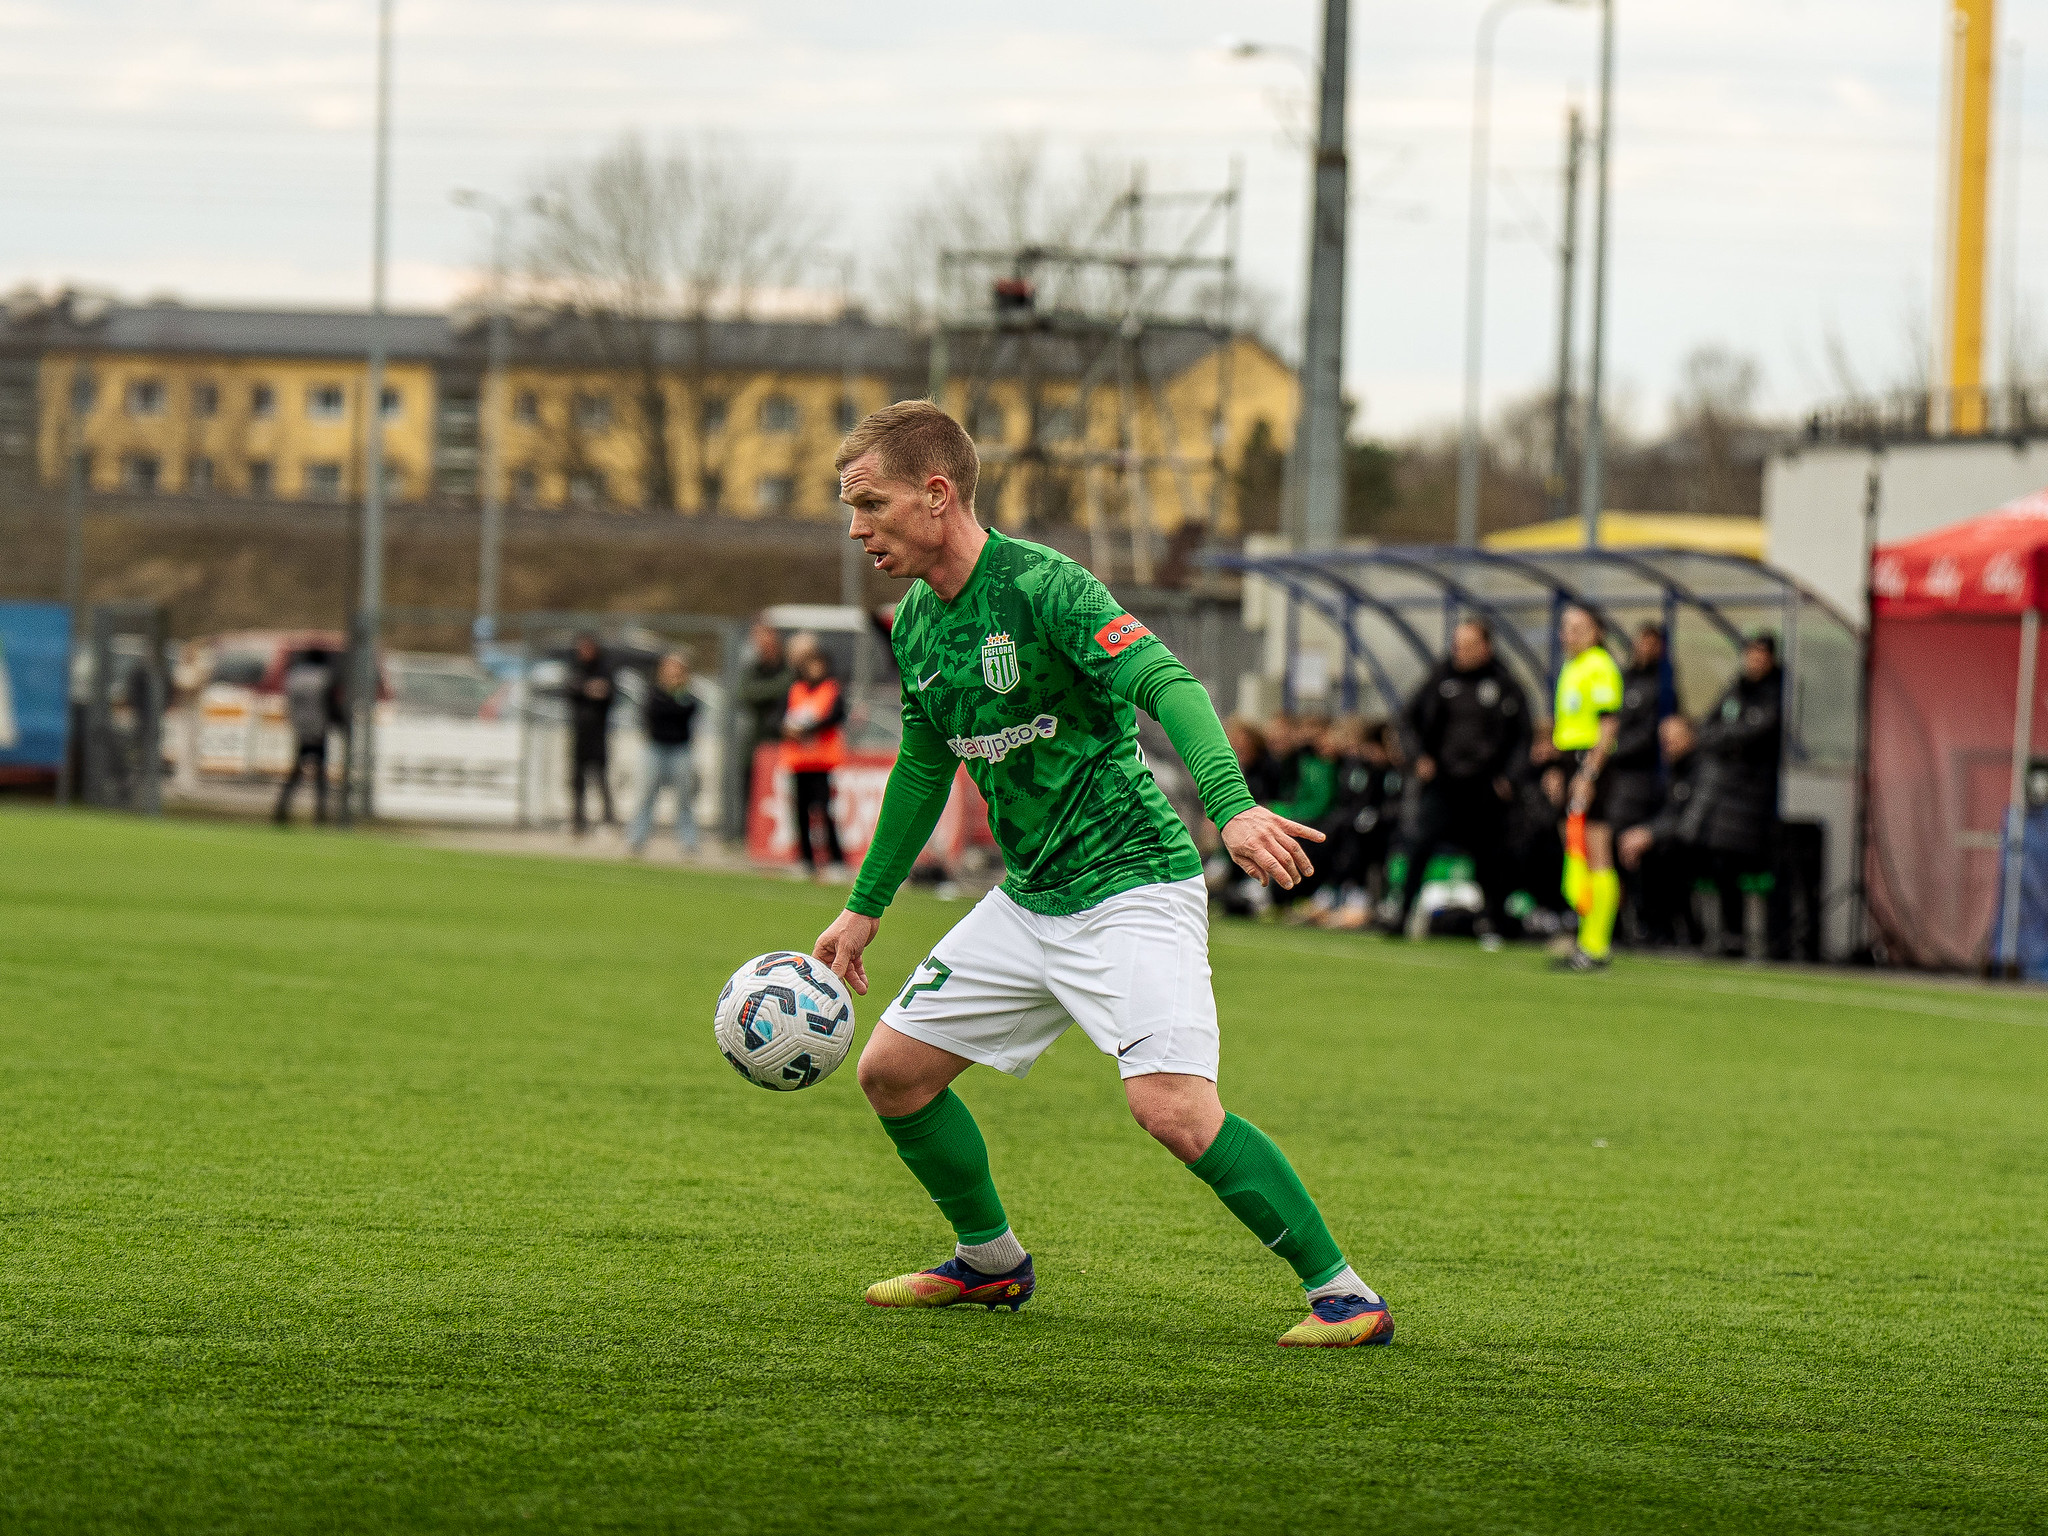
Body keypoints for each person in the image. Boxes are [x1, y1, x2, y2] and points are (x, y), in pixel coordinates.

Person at [811, 400, 1391, 1349]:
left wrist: (1232, 806)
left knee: (1172, 1110)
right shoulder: (915, 624)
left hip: (1132, 885)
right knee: (893, 1074)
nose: (855, 527)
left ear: (937, 494)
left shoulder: (1045, 587)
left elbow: (1169, 683)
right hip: (1030, 899)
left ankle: (1346, 1295)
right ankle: (990, 1262)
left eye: (869, 504)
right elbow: (923, 765)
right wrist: (864, 908)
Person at [1393, 618, 1530, 944]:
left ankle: (1494, 923)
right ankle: (1401, 916)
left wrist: (1510, 777)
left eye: (1468, 646)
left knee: (1491, 856)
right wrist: (1418, 758)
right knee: (1419, 845)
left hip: (1485, 785)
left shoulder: (1505, 684)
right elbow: (1406, 722)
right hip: (1444, 783)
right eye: (1457, 645)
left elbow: (1522, 737)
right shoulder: (1440, 679)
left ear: (1486, 647)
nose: (1460, 652)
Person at [1692, 632, 1785, 956]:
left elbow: (1759, 730)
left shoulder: (1776, 691)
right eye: (1750, 653)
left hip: (1761, 796)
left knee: (1758, 867)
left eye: (1761, 654)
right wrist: (1731, 738)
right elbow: (1706, 729)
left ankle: (1768, 939)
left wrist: (1729, 738)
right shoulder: (1735, 688)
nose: (1754, 660)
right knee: (1722, 861)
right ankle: (1730, 934)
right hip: (1728, 794)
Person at [1551, 605, 1625, 972]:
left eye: (1579, 628)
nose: (1569, 634)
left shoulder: (1600, 666)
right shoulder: (1571, 666)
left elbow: (1607, 726)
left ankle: (1595, 946)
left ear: (1597, 632)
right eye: (1566, 627)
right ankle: (1584, 937)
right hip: (1572, 760)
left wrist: (1589, 774)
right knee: (1576, 852)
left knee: (1597, 852)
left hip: (1590, 763)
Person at [1618, 715, 1706, 948]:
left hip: (1702, 845)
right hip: (1676, 842)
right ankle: (1651, 928)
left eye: (1673, 740)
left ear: (1690, 738)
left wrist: (1649, 835)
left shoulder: (1703, 770)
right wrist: (1644, 833)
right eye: (1664, 741)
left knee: (1662, 857)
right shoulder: (1673, 771)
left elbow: (1689, 821)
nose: (1667, 746)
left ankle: (1676, 931)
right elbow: (1667, 815)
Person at [783, 637, 848, 877]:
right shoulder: (796, 689)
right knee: (800, 812)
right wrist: (788, 728)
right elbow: (779, 717)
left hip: (822, 761)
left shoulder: (831, 689)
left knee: (824, 810)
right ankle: (805, 860)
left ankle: (836, 860)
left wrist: (810, 728)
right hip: (799, 761)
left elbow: (836, 716)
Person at [628, 652, 701, 856]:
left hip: (680, 749)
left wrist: (677, 694)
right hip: (656, 748)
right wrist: (672, 704)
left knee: (684, 798)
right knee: (646, 795)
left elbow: (687, 711)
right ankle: (636, 839)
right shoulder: (654, 692)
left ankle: (689, 842)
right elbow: (656, 712)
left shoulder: (686, 694)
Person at [273, 647, 341, 825]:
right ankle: (321, 815)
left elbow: (289, 701)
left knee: (296, 771)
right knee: (320, 774)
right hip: (318, 728)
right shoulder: (324, 677)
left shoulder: (294, 676)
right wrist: (338, 721)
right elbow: (329, 703)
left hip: (300, 727)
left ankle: (281, 811)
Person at [567, 632, 617, 835]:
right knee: (577, 779)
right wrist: (589, 689)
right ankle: (578, 821)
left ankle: (608, 820)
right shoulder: (576, 668)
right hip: (580, 734)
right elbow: (571, 690)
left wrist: (589, 689)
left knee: (601, 777)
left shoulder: (604, 669)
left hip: (598, 735)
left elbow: (608, 693)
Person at [736, 621, 795, 775]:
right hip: (757, 741)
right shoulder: (753, 668)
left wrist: (763, 692)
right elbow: (745, 693)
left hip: (784, 742)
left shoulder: (788, 667)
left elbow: (789, 686)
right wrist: (775, 688)